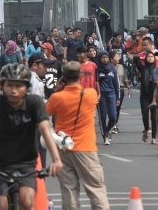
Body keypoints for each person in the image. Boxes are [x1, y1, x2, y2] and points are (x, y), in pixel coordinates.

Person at [0, 64, 62, 210]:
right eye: (9, 85)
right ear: (3, 86)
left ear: (27, 87)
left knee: (27, 202)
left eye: (18, 86)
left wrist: (56, 160)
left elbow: (45, 130)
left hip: (25, 163)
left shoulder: (35, 103)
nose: (14, 90)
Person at [46, 62, 110, 210]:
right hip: (86, 149)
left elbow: (44, 113)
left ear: (63, 77)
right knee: (95, 188)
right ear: (81, 75)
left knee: (69, 190)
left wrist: (56, 90)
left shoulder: (57, 97)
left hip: (63, 150)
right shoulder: (91, 94)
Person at [133, 52, 158, 144]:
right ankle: (146, 129)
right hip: (144, 95)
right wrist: (143, 58)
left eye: (152, 57)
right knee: (145, 115)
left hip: (154, 95)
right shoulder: (143, 68)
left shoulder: (157, 69)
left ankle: (154, 138)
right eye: (149, 57)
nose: (150, 58)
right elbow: (135, 59)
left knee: (154, 117)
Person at [96, 51, 119, 145]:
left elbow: (116, 84)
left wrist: (118, 98)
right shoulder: (97, 70)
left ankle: (108, 129)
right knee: (102, 117)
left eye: (106, 57)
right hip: (102, 95)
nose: (105, 59)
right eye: (103, 58)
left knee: (113, 116)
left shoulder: (113, 70)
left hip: (111, 94)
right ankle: (105, 136)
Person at [109, 51, 130, 134]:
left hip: (120, 90)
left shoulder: (121, 66)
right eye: (116, 57)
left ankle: (114, 124)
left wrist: (128, 87)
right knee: (112, 109)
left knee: (117, 108)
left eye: (118, 57)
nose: (118, 58)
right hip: (111, 90)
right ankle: (113, 124)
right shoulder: (108, 68)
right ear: (111, 59)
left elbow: (125, 77)